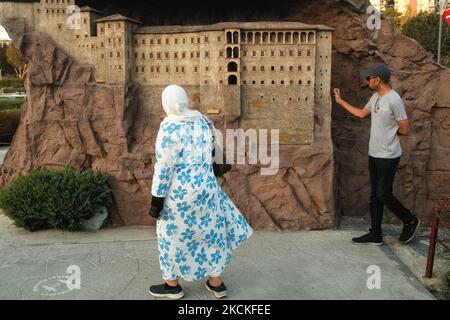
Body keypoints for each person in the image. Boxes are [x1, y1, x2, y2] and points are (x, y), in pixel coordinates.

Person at [148, 84, 253, 299]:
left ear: (166, 103)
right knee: (211, 234)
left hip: (179, 194)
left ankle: (172, 285)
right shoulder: (204, 120)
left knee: (171, 235)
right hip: (207, 189)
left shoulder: (169, 127)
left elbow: (164, 167)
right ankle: (216, 282)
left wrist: (156, 199)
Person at [333, 63, 420, 246]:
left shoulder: (394, 100)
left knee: (384, 194)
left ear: (377, 79)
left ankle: (410, 220)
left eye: (369, 78)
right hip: (374, 153)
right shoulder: (375, 98)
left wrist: (389, 134)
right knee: (375, 195)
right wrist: (340, 102)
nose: (367, 81)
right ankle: (375, 234)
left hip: (389, 155)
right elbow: (360, 113)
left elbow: (405, 129)